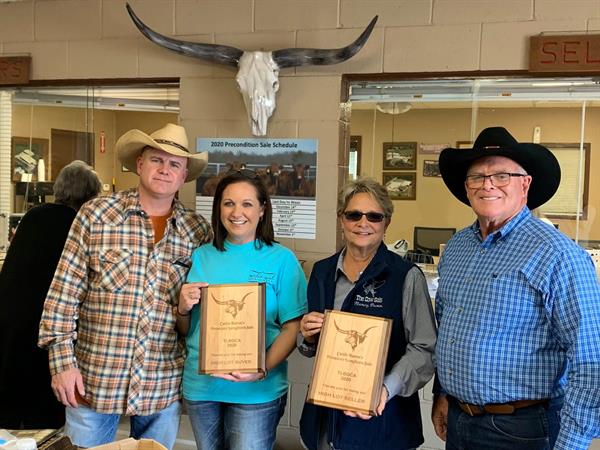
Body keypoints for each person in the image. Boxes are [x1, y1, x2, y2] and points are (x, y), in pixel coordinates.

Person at [38, 124, 211, 449]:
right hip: (93, 379)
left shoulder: (197, 231)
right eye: (157, 159)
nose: (165, 169)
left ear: (185, 173)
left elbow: (201, 312)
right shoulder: (96, 215)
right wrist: (62, 364)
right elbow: (63, 295)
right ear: (139, 163)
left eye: (175, 163)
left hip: (162, 383)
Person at [431, 127, 600, 450]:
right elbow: (449, 328)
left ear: (526, 183)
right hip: (459, 418)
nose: (487, 184)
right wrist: (443, 393)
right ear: (466, 188)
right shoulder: (456, 248)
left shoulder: (557, 254)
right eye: (476, 177)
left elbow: (590, 360)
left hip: (523, 429)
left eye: (502, 175)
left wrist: (571, 444)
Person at [298, 178, 437, 450]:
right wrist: (308, 335)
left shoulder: (406, 276)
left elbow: (424, 349)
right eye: (354, 215)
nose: (363, 223)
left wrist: (385, 389)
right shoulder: (322, 272)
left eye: (374, 216)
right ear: (341, 219)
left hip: (385, 420)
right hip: (326, 418)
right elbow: (310, 347)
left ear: (386, 223)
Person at [176, 169, 307, 450]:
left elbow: (293, 326)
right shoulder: (201, 256)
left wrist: (261, 369)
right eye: (228, 203)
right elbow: (188, 330)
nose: (237, 212)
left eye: (247, 203)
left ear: (262, 209)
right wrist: (183, 308)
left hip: (257, 392)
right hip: (202, 387)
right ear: (218, 209)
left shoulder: (282, 260)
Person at [0, 161, 101, 429]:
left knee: (12, 392)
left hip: (13, 317)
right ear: (91, 194)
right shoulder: (78, 223)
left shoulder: (34, 215)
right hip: (49, 322)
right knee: (44, 409)